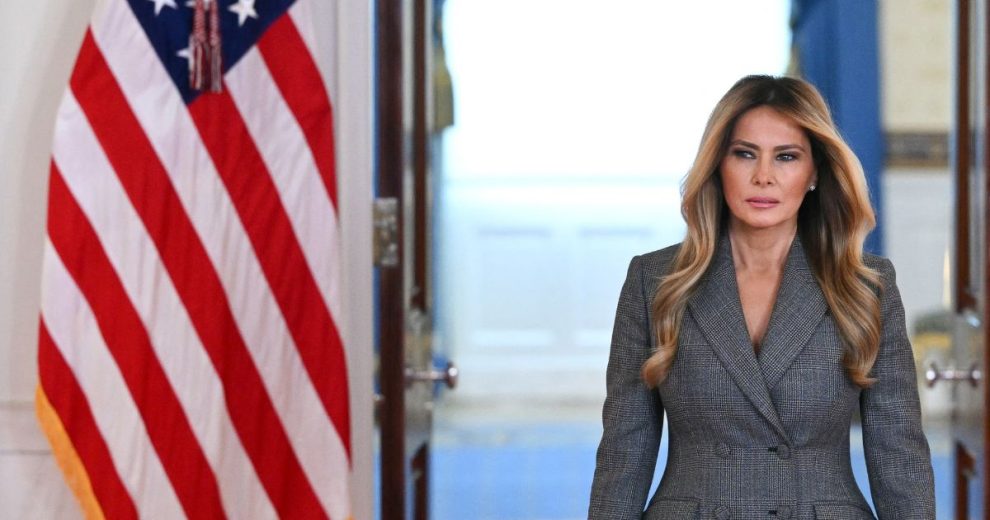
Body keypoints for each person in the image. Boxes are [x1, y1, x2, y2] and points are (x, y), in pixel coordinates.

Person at [588, 75, 935, 519]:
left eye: (786, 157)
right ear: (718, 164)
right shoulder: (655, 280)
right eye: (745, 154)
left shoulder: (865, 286)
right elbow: (625, 451)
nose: (764, 177)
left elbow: (898, 455)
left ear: (815, 172)